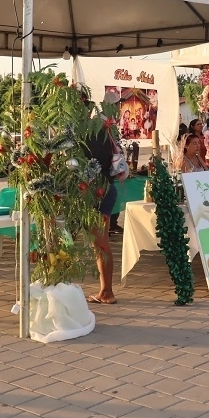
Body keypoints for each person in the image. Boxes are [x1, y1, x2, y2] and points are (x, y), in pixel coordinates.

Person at [84, 123, 121, 305]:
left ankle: (107, 291)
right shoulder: (103, 130)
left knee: (99, 243)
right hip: (106, 187)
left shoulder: (83, 132)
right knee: (101, 243)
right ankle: (106, 290)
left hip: (93, 190)